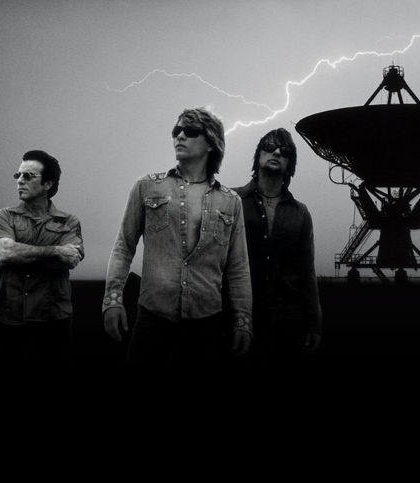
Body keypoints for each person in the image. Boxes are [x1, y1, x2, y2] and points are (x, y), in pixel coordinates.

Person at [103, 108, 252, 368]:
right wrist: (112, 300)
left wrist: (243, 320)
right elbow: (123, 247)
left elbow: (238, 267)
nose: (180, 136)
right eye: (177, 131)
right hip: (153, 319)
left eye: (190, 131)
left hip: (206, 324)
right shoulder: (147, 187)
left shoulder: (230, 201)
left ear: (211, 143)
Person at [0, 150, 84, 365]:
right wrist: (55, 252)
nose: (20, 180)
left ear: (48, 184)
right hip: (9, 317)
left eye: (28, 176)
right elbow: (5, 251)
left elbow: (72, 258)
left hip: (53, 319)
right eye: (18, 175)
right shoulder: (4, 216)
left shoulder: (68, 222)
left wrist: (19, 253)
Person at [233, 128, 322, 366]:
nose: (277, 153)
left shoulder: (300, 213)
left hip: (287, 321)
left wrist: (314, 324)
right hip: (239, 318)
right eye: (270, 147)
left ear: (290, 164)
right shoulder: (232, 201)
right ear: (258, 155)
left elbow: (307, 271)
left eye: (285, 151)